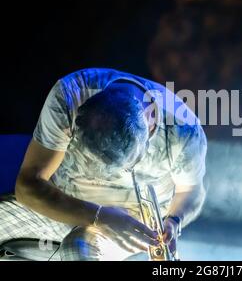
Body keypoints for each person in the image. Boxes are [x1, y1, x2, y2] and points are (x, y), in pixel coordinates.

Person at [0, 68, 207, 260]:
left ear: (150, 118)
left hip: (128, 224)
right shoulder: (70, 95)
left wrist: (174, 221)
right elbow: (27, 186)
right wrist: (98, 215)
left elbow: (192, 191)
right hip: (62, 203)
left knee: (77, 250)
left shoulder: (183, 128)